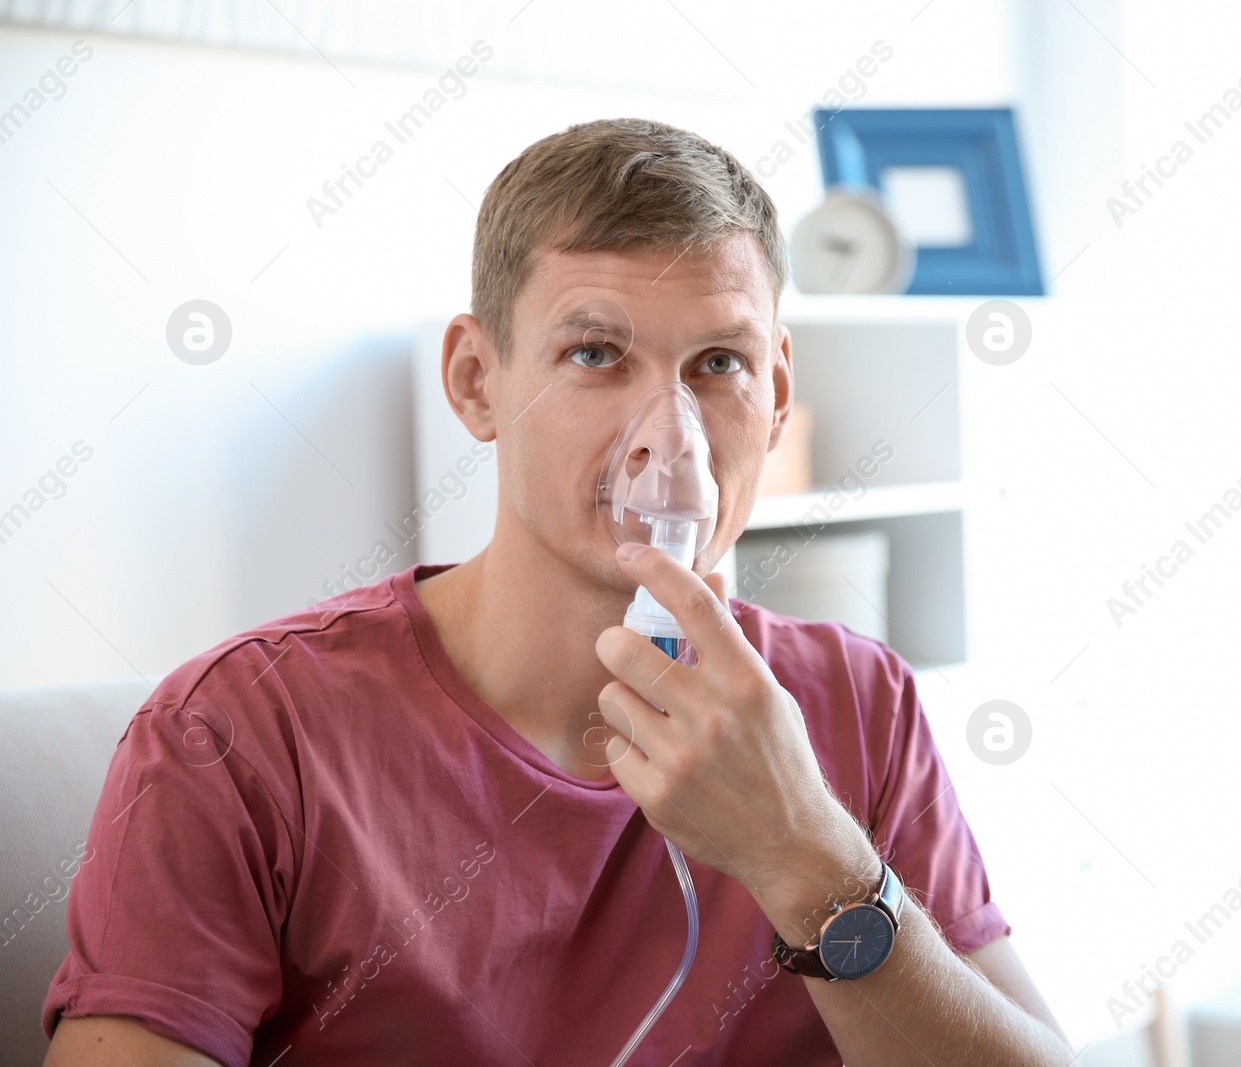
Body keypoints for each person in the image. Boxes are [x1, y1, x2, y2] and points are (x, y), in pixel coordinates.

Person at [42, 118, 1072, 1066]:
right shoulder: (240, 738)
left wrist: (808, 854)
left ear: (778, 393)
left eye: (718, 362)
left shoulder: (855, 704)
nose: (666, 436)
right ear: (476, 380)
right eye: (595, 354)